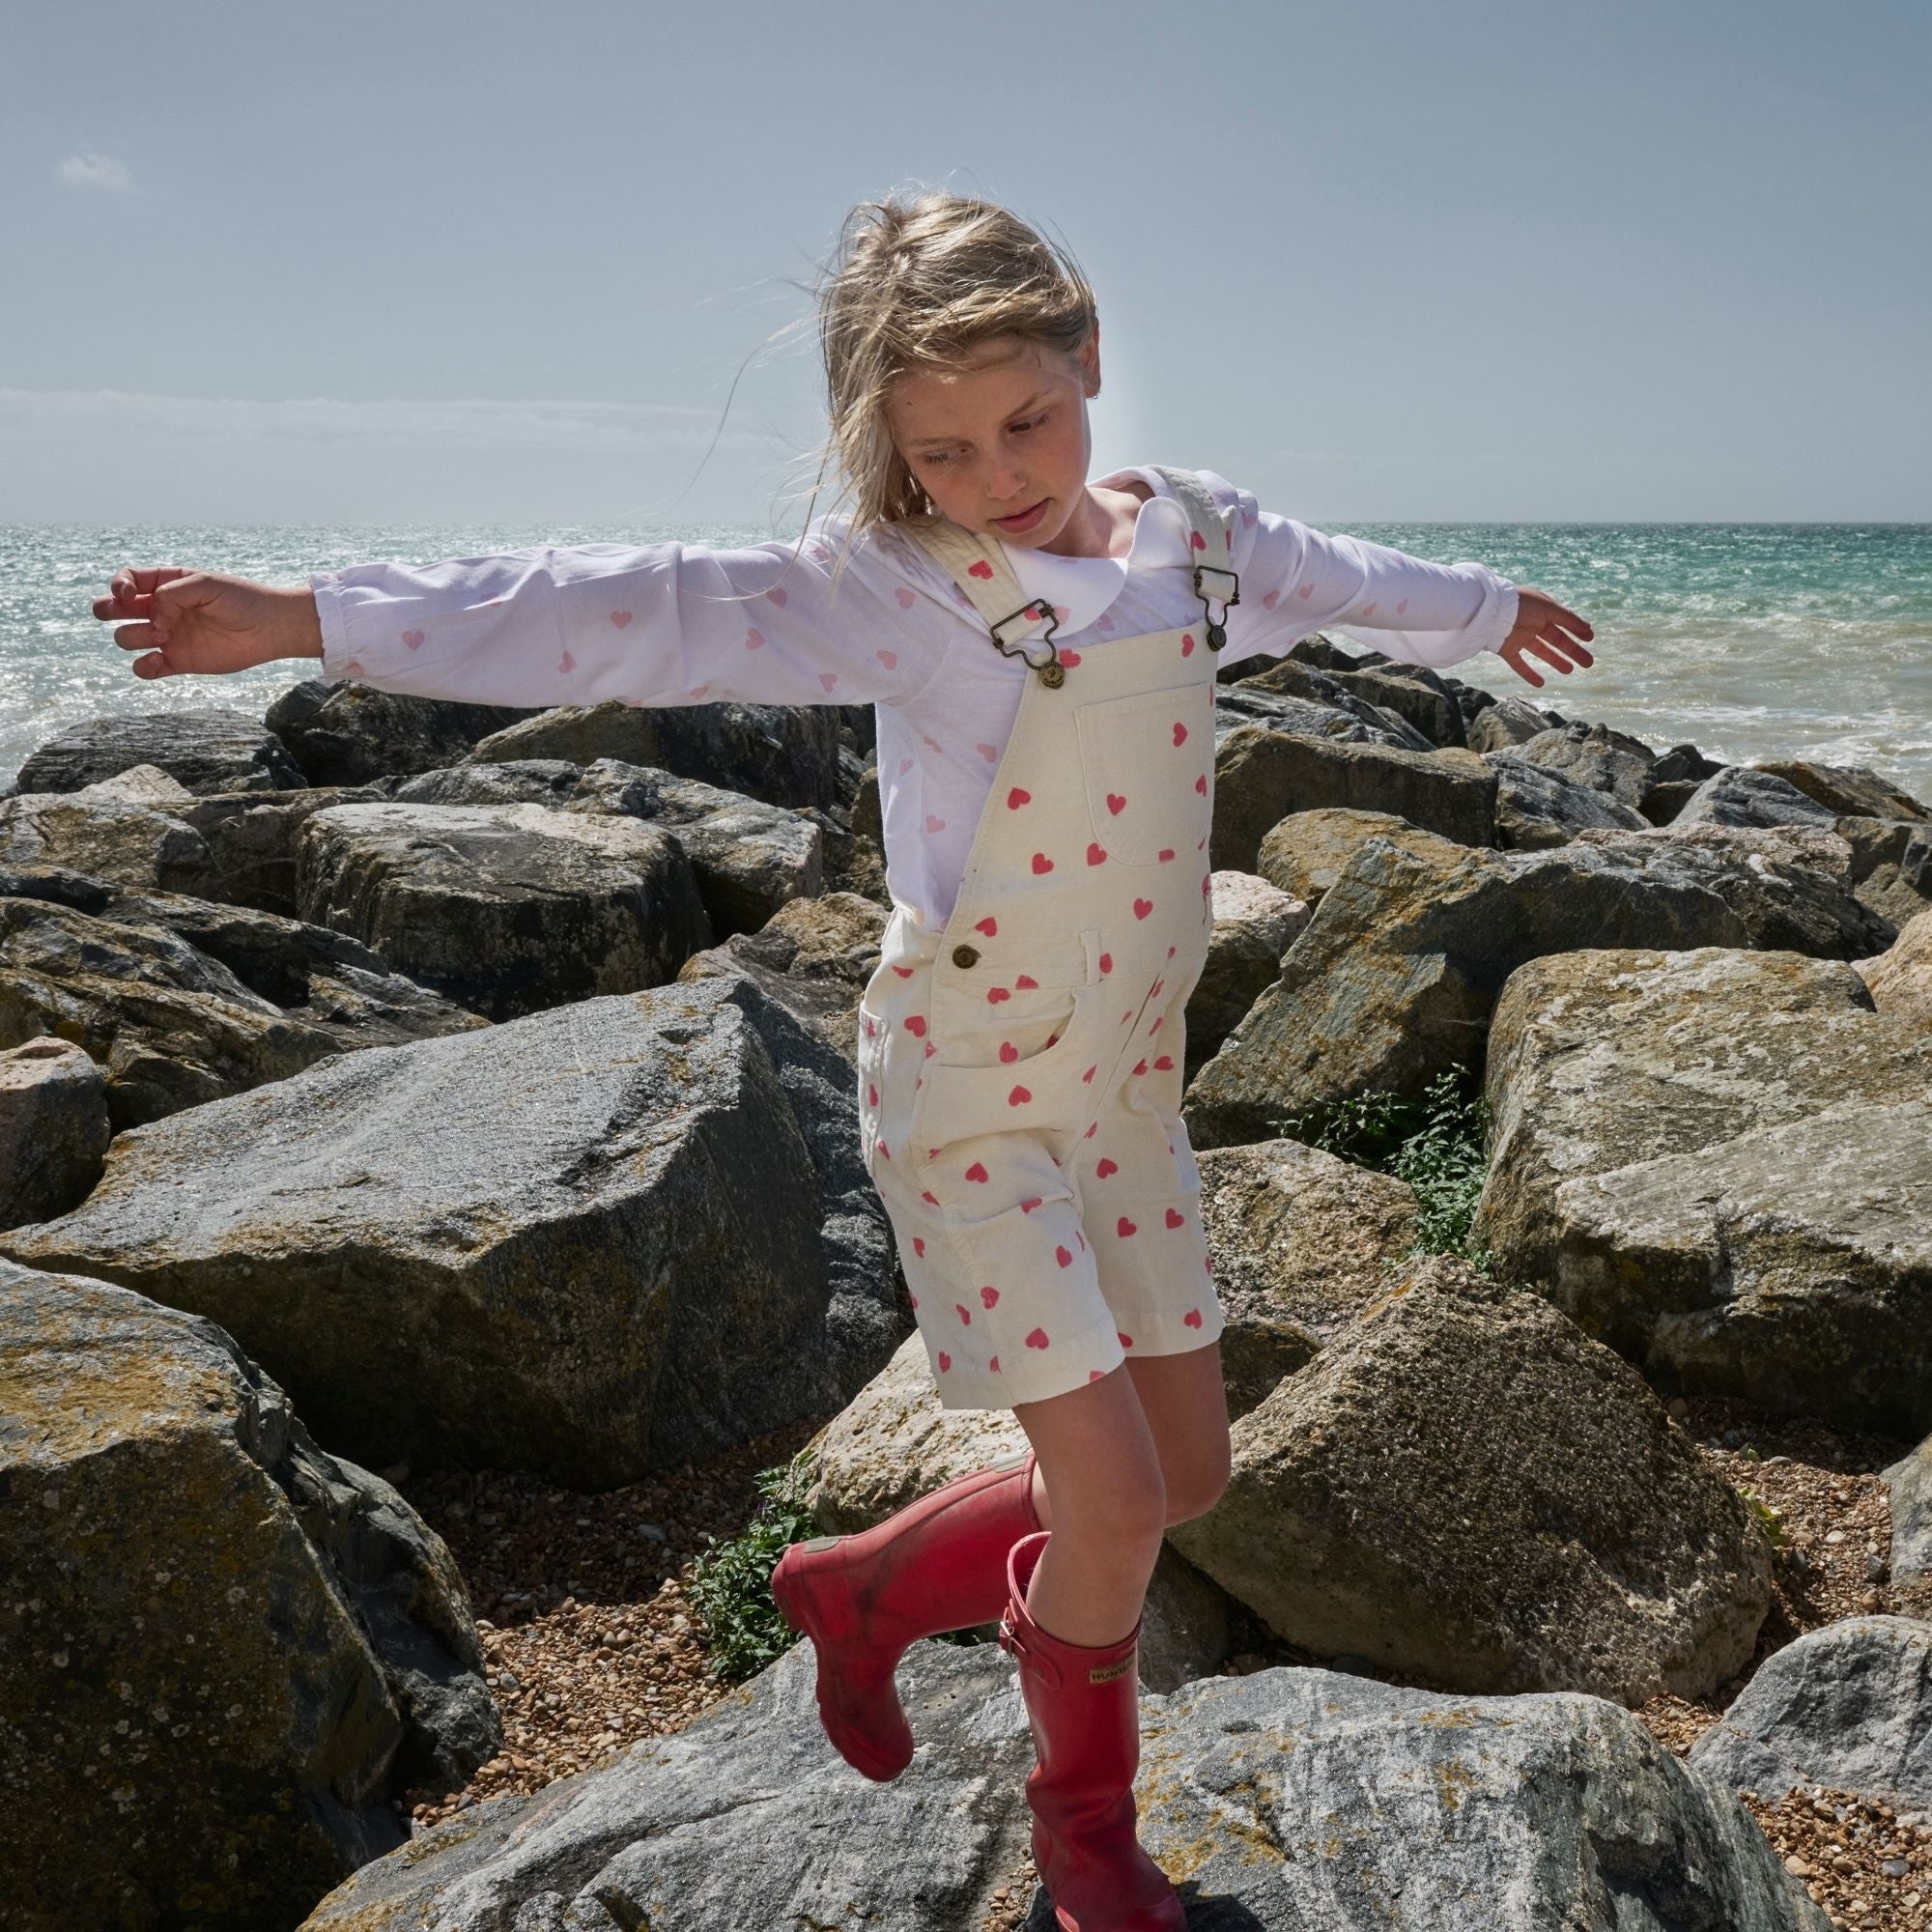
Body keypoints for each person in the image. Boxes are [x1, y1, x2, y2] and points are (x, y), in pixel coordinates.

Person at [94, 189, 1594, 1931]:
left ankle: (871, 1585)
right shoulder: (894, 594)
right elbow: (619, 607)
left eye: (1027, 419)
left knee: (1186, 1483)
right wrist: (304, 617)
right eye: (943, 451)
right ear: (890, 454)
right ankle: (1084, 1828)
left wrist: (1484, 608)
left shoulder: (1195, 542)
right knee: (1109, 1500)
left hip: (1123, 1088)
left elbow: (1342, 575)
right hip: (966, 1103)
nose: (999, 472)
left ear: (1090, 350)